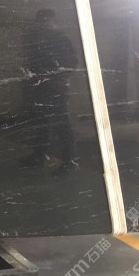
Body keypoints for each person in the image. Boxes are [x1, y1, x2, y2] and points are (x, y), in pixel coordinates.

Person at [21, 9, 79, 174]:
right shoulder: (39, 40)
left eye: (46, 21)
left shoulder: (60, 39)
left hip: (56, 88)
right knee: (42, 123)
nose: (43, 25)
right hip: (42, 87)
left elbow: (71, 62)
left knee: (62, 124)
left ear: (52, 22)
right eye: (41, 22)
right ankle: (40, 156)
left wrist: (60, 80)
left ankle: (70, 161)